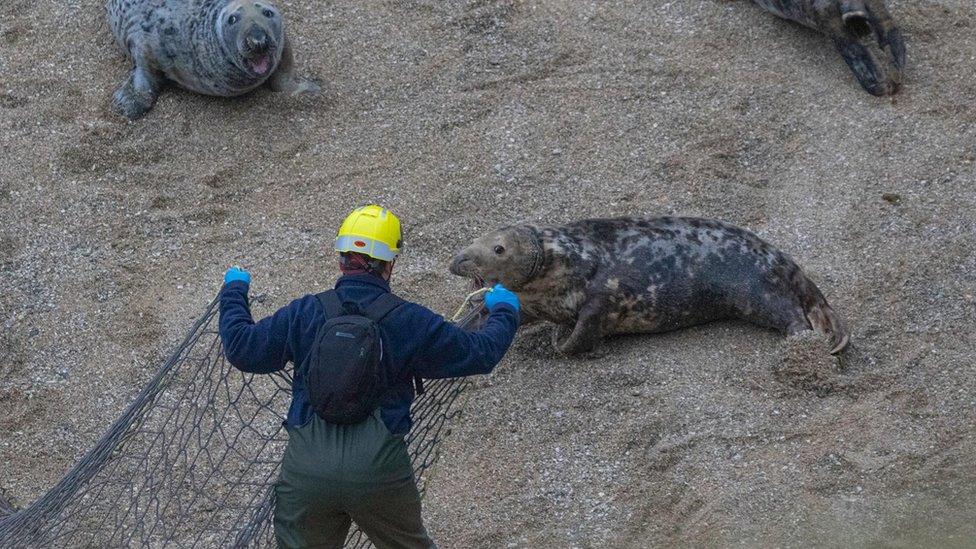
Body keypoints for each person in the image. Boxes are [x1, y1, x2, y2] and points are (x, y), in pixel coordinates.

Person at [218, 205, 521, 549]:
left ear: (341, 259)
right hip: (379, 470)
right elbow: (480, 353)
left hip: (308, 469)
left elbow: (242, 348)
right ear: (390, 264)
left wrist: (234, 292)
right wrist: (504, 312)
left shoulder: (305, 311)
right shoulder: (410, 320)